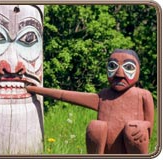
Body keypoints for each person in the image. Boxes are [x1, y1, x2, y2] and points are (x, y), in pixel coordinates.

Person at [26, 49, 154, 154]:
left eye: (128, 67)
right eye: (112, 66)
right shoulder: (103, 96)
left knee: (135, 129)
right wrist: (35, 89)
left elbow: (150, 126)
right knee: (96, 127)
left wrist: (144, 125)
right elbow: (63, 95)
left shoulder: (143, 95)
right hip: (106, 151)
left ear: (138, 70)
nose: (119, 74)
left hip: (132, 147)